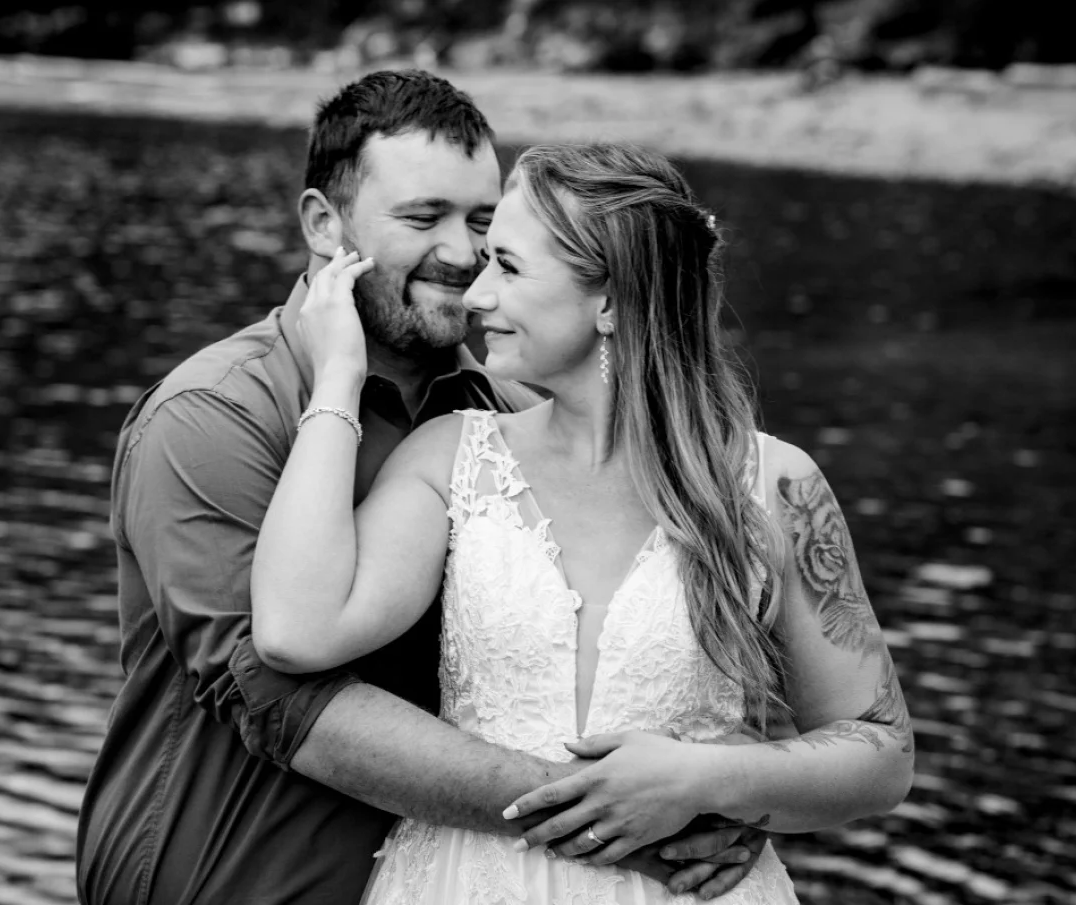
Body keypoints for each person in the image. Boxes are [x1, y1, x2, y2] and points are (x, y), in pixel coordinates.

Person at [76, 71, 763, 905]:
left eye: (482, 222)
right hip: (231, 883)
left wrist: (720, 783)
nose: (464, 253)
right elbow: (280, 699)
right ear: (324, 226)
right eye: (421, 217)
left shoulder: (508, 416)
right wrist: (603, 814)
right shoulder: (210, 418)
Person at [250, 142, 917, 903]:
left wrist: (710, 777)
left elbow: (880, 750)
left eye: (508, 265)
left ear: (610, 301)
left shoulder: (774, 485)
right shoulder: (456, 460)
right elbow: (293, 629)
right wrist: (337, 375)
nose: (475, 295)